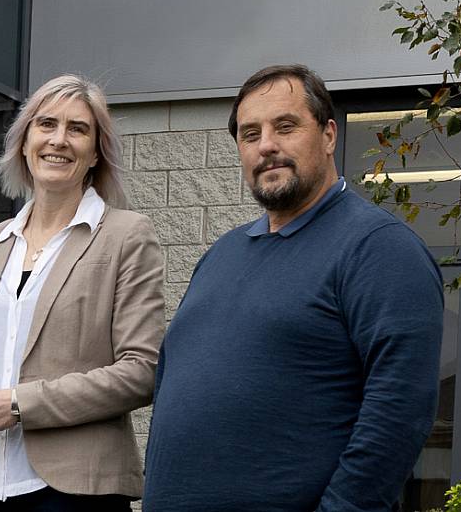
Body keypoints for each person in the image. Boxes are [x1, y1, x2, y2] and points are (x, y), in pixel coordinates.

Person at [143, 64, 444, 511]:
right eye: (250, 134)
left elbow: (399, 412)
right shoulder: (221, 254)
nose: (267, 145)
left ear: (328, 135)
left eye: (285, 126)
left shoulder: (378, 248)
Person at [0, 74, 165, 511]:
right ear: (23, 142)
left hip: (73, 494)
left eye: (77, 129)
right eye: (46, 125)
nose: (59, 140)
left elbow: (142, 370)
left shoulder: (126, 236)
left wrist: (22, 405)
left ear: (96, 152)